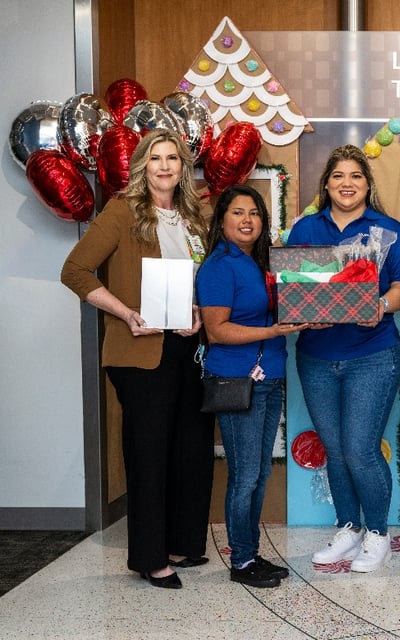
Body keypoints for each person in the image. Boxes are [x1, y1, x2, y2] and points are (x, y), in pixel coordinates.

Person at [60, 129, 214, 589]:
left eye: (172, 158)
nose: (164, 166)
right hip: (140, 349)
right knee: (149, 453)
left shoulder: (195, 216)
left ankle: (181, 543)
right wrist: (126, 312)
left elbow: (206, 279)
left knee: (190, 447)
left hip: (188, 346)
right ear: (142, 166)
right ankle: (150, 557)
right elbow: (74, 271)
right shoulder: (122, 211)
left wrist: (201, 312)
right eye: (155, 158)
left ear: (183, 167)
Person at [286, 144, 400, 573]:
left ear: (367, 184)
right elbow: (291, 286)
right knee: (337, 451)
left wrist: (381, 304)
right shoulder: (306, 228)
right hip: (316, 356)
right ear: (326, 184)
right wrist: (302, 314)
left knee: (360, 450)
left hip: (373, 354)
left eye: (355, 176)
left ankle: (378, 534)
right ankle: (349, 527)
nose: (346, 183)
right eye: (338, 175)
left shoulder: (391, 231)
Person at [197, 185, 308, 588]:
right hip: (236, 379)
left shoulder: (260, 263)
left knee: (259, 474)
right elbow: (217, 330)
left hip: (270, 377)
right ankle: (241, 560)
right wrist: (274, 328)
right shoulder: (218, 266)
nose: (247, 220)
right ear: (222, 219)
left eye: (255, 213)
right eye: (238, 213)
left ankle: (250, 553)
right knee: (245, 475)